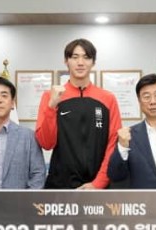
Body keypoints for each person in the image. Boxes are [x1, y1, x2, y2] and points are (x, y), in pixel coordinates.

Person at [35, 38, 121, 189]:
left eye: (86, 57)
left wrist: (98, 183)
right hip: (60, 186)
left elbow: (113, 144)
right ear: (66, 61)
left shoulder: (108, 98)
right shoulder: (50, 96)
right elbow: (46, 143)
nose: (80, 63)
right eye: (75, 57)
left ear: (93, 62)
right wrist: (52, 106)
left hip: (97, 187)